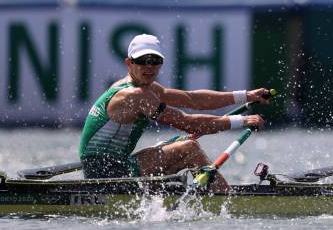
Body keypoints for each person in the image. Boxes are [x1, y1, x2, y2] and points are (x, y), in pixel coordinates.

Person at [78, 34, 268, 192]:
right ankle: (225, 199)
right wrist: (242, 121)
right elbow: (187, 123)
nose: (149, 67)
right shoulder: (134, 94)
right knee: (189, 148)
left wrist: (246, 96)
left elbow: (193, 99)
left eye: (155, 61)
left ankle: (206, 194)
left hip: (117, 165)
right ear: (129, 63)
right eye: (142, 61)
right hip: (105, 174)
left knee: (181, 144)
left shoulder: (148, 88)